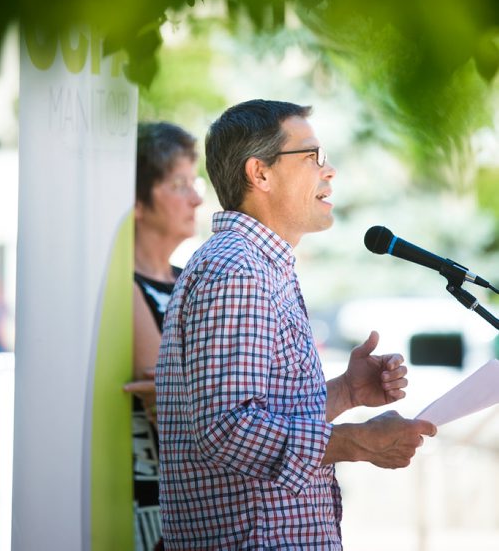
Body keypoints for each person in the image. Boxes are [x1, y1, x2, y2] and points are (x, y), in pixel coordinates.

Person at [155, 100, 437, 550]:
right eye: (312, 156)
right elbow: (228, 429)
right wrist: (357, 442)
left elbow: (262, 417)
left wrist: (345, 391)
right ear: (260, 174)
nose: (330, 171)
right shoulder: (235, 270)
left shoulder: (259, 266)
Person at [124, 121, 203, 551]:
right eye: (179, 184)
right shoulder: (123, 284)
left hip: (195, 495)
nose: (196, 198)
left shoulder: (188, 279)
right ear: (136, 201)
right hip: (150, 497)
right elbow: (166, 394)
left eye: (195, 183)